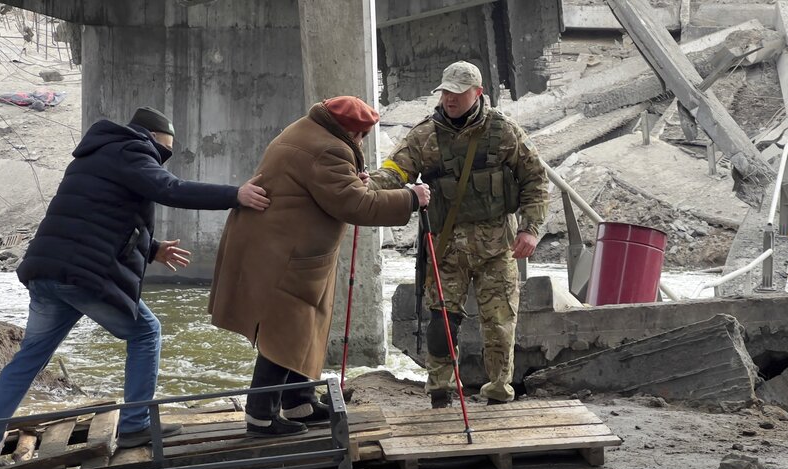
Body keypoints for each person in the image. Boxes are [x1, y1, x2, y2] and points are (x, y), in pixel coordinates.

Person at [0, 106, 271, 469]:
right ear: (155, 136)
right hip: (80, 274)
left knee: (29, 359)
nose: (165, 155)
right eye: (166, 148)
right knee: (147, 332)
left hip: (49, 270)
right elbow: (169, 188)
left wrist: (153, 248)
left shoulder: (97, 154)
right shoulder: (131, 150)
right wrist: (234, 195)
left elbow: (100, 217)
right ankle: (135, 425)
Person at [209, 96, 430, 437]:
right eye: (360, 135)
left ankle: (299, 400)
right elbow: (355, 204)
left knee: (304, 329)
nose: (361, 142)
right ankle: (260, 416)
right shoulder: (328, 149)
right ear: (347, 130)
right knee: (282, 332)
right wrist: (411, 198)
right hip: (283, 254)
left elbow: (331, 189)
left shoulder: (309, 130)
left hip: (289, 251)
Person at [368, 61, 548, 408]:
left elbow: (535, 179)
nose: (449, 99)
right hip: (446, 250)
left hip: (498, 248)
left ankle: (498, 390)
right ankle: (440, 391)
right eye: (445, 92)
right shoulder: (425, 135)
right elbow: (396, 168)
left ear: (477, 93)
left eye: (457, 93)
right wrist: (369, 184)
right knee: (441, 324)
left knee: (498, 325)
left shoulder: (503, 132)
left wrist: (531, 229)